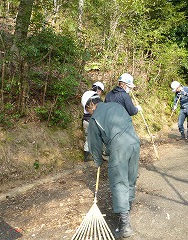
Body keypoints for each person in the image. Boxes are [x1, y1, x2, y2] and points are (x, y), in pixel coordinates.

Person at [83, 94, 140, 239]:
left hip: (119, 149)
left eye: (87, 109)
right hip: (134, 143)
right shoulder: (116, 106)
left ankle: (124, 225)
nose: (88, 112)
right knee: (130, 178)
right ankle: (126, 209)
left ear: (91, 104)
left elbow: (94, 145)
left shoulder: (95, 119)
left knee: (119, 182)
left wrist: (98, 162)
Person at [81, 82, 104, 162]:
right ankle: (92, 155)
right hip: (90, 120)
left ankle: (88, 155)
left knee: (89, 138)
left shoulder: (88, 95)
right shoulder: (92, 98)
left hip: (86, 120)